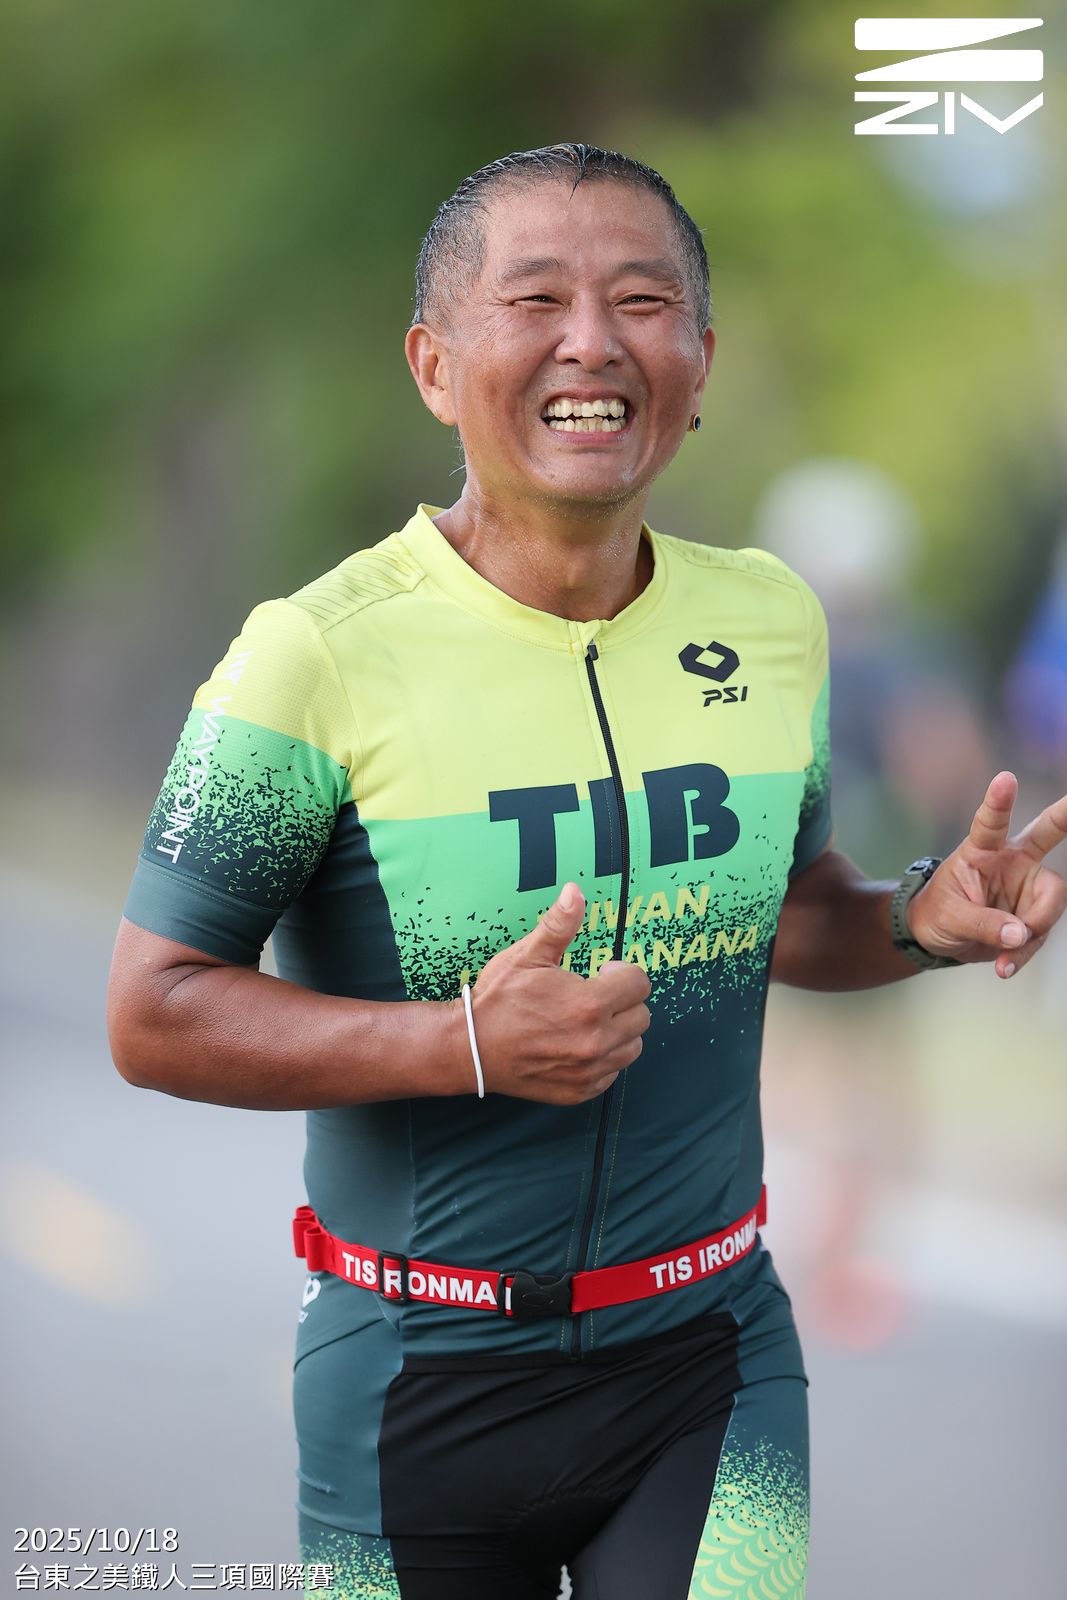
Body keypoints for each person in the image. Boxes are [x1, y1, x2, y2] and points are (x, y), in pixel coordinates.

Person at [107, 144, 1067, 1600]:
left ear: (701, 362)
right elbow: (154, 1009)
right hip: (414, 1380)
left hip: (712, 1359)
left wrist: (915, 919)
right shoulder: (310, 657)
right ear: (435, 367)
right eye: (536, 300)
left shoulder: (773, 622)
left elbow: (788, 913)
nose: (593, 343)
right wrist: (459, 1044)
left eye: (643, 301)